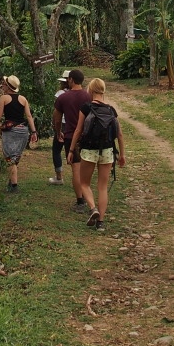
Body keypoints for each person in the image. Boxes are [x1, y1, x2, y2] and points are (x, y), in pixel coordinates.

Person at [68, 77, 125, 231]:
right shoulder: (111, 110)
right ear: (103, 91)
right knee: (102, 187)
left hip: (89, 150)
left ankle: (93, 208)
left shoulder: (86, 108)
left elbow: (78, 130)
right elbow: (119, 134)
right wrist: (122, 155)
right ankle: (100, 223)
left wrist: (71, 150)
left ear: (91, 90)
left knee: (84, 183)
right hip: (107, 151)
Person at [53, 69, 92, 210]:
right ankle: (89, 197)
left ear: (71, 80)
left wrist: (58, 132)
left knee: (76, 168)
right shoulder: (88, 96)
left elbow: (57, 119)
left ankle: (80, 201)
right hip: (88, 136)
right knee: (87, 167)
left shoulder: (63, 98)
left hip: (70, 136)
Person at [0, 75, 36, 192]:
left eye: (4, 84)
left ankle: (14, 185)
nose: (2, 85)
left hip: (11, 131)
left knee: (10, 158)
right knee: (15, 157)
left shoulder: (4, 98)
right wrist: (34, 131)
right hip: (23, 131)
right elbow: (29, 116)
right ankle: (11, 181)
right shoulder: (23, 99)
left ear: (8, 87)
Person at [48, 70, 70, 185]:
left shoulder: (60, 93)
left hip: (61, 123)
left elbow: (56, 111)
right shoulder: (77, 93)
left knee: (56, 150)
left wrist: (54, 125)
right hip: (72, 124)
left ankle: (59, 176)